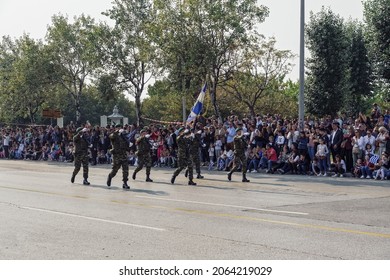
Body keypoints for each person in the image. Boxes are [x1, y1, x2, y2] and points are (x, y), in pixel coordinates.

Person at [107, 124, 131, 189]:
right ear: (115, 128)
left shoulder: (123, 136)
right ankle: (110, 176)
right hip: (116, 156)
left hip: (123, 155)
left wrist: (129, 146)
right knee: (115, 170)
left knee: (125, 170)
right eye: (118, 128)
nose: (119, 129)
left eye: (120, 127)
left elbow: (127, 142)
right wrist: (117, 132)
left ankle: (125, 183)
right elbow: (111, 136)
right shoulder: (114, 135)